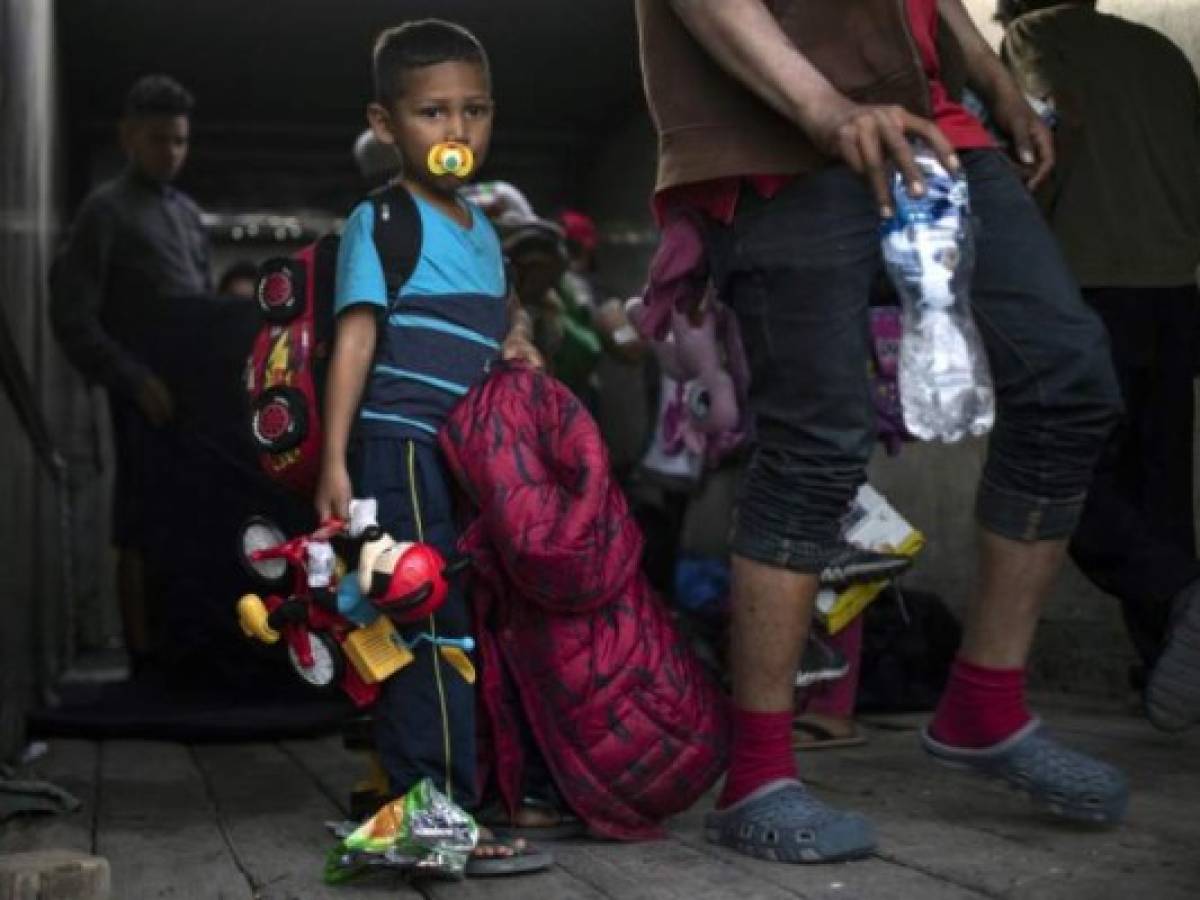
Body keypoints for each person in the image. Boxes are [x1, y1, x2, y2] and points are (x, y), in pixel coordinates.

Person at [637, 0, 1126, 863]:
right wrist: (825, 108)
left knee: (1067, 378)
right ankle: (757, 774)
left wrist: (992, 78)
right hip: (776, 143)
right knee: (817, 442)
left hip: (935, 132)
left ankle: (986, 700)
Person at [312, 19, 547, 872]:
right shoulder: (380, 219)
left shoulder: (484, 227)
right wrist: (336, 460)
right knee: (428, 632)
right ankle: (431, 818)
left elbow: (495, 316)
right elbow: (358, 340)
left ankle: (437, 807)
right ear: (387, 124)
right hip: (399, 452)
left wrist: (516, 337)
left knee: (453, 635)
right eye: (433, 113)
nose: (457, 133)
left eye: (474, 111)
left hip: (461, 462)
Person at [999, 0, 1200, 734]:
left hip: (1089, 285)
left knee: (1059, 480)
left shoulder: (1034, 36)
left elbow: (1052, 126)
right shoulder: (1157, 51)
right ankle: (1166, 668)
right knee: (1163, 489)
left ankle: (1183, 594)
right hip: (1176, 288)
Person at [50, 74, 211, 675]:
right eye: (158, 139)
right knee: (140, 517)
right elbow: (71, 315)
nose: (171, 151)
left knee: (188, 515)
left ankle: (180, 645)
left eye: (179, 141)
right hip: (140, 388)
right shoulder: (105, 211)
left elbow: (201, 303)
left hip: (193, 392)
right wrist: (131, 378)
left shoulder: (190, 216)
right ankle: (143, 659)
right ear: (128, 137)